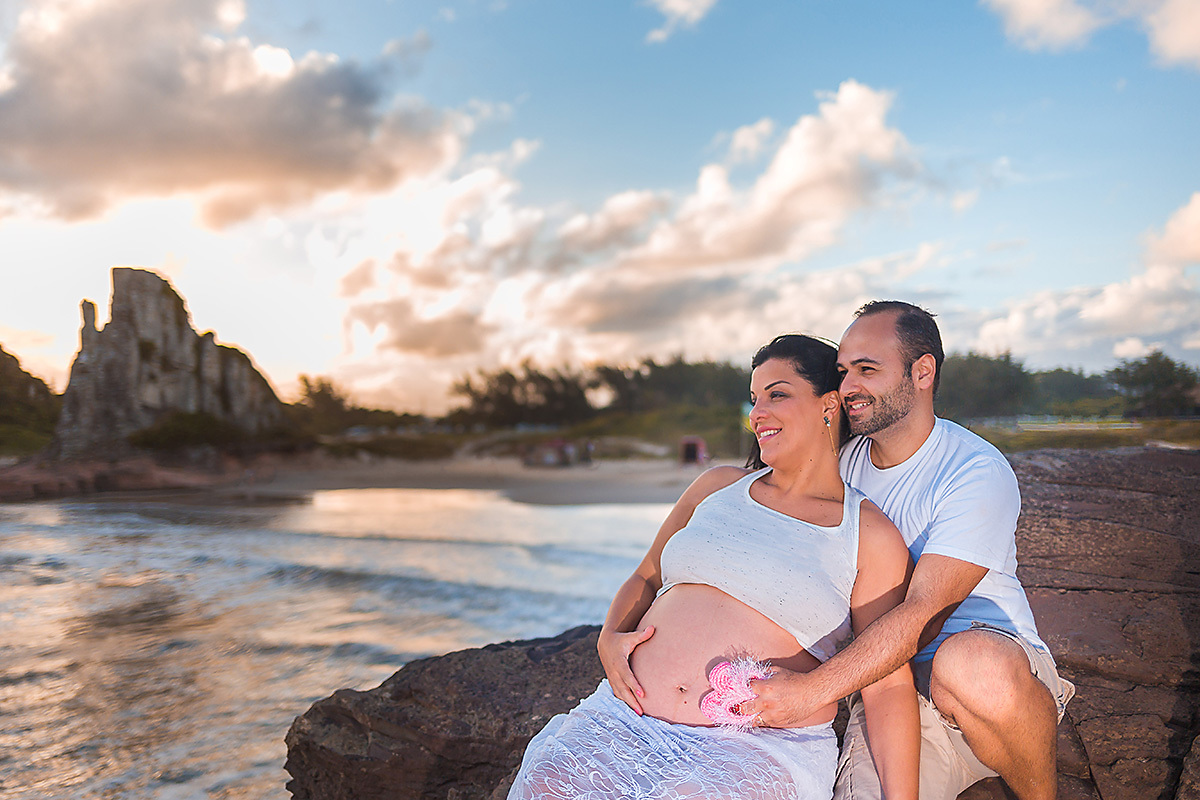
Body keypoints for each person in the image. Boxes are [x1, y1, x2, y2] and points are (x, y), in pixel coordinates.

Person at [508, 334, 919, 800]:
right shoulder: (717, 487)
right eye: (754, 399)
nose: (757, 413)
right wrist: (609, 637)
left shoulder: (867, 533)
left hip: (755, 746)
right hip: (625, 719)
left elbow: (886, 683)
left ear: (829, 406)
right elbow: (647, 574)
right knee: (546, 781)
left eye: (777, 394)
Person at [741, 302, 1075, 800]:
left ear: (922, 372)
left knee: (969, 662)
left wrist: (811, 691)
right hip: (888, 687)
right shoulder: (839, 464)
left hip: (991, 675)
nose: (849, 386)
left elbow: (926, 614)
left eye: (867, 370)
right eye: (843, 372)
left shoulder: (973, 470)